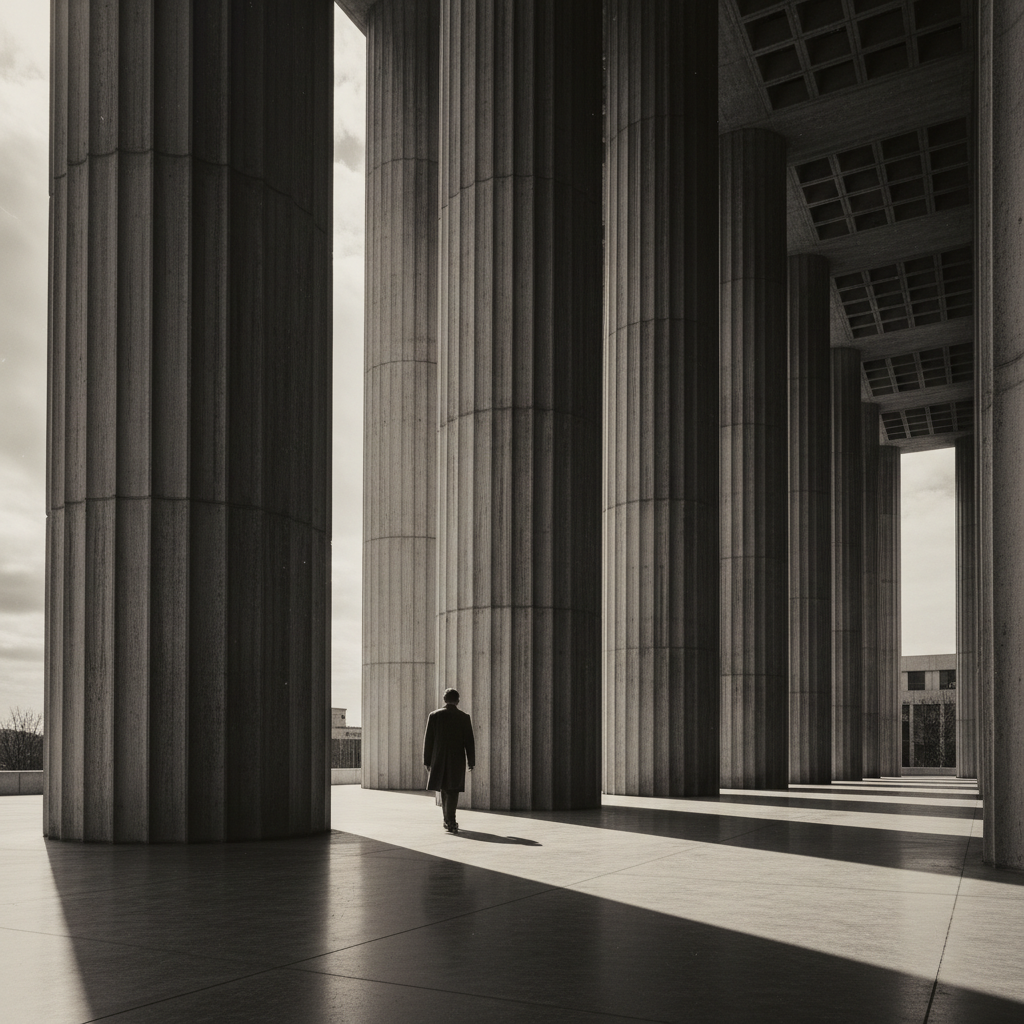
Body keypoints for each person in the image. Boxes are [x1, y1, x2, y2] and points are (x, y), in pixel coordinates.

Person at [423, 688, 475, 833]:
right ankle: (450, 821)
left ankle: (448, 820)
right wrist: (471, 761)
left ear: (444, 700)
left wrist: (427, 760)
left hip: (438, 758)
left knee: (444, 789)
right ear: (458, 700)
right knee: (452, 790)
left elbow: (429, 740)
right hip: (456, 758)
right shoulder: (464, 717)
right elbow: (469, 741)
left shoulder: (434, 715)